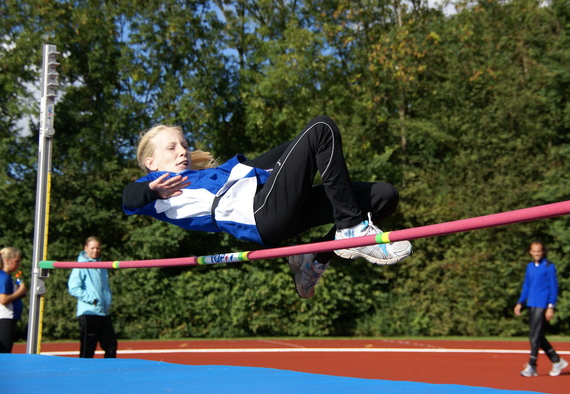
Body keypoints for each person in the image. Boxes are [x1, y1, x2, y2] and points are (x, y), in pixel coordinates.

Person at [123, 116, 412, 299]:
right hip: (260, 216)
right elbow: (128, 198)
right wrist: (150, 189)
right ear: (151, 163)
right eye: (172, 147)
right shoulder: (160, 190)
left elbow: (282, 154)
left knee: (382, 196)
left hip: (276, 203)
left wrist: (305, 148)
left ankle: (316, 258)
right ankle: (351, 229)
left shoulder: (219, 173)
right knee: (320, 128)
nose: (183, 150)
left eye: (184, 144)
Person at [514, 241, 568, 377]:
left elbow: (553, 288)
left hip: (542, 304)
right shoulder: (530, 267)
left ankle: (532, 365)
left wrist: (551, 306)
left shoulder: (549, 266)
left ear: (543, 252)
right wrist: (520, 302)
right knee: (535, 335)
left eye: (539, 251)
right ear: (530, 252)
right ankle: (557, 360)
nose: (537, 253)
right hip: (531, 303)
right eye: (534, 251)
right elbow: (526, 285)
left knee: (535, 335)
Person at [68, 237, 118, 358]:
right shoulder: (80, 265)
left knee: (111, 346)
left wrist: (107, 301)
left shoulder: (102, 265)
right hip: (89, 312)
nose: (95, 251)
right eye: (92, 248)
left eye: (98, 248)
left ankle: (108, 372)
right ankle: (83, 374)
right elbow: (73, 288)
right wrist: (92, 299)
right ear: (85, 248)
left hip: (103, 312)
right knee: (88, 349)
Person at [0, 247, 27, 353]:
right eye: (16, 261)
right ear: (7, 261)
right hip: (5, 318)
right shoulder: (4, 277)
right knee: (4, 351)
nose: (19, 264)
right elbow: (3, 299)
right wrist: (20, 291)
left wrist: (20, 293)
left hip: (9, 317)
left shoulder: (7, 277)